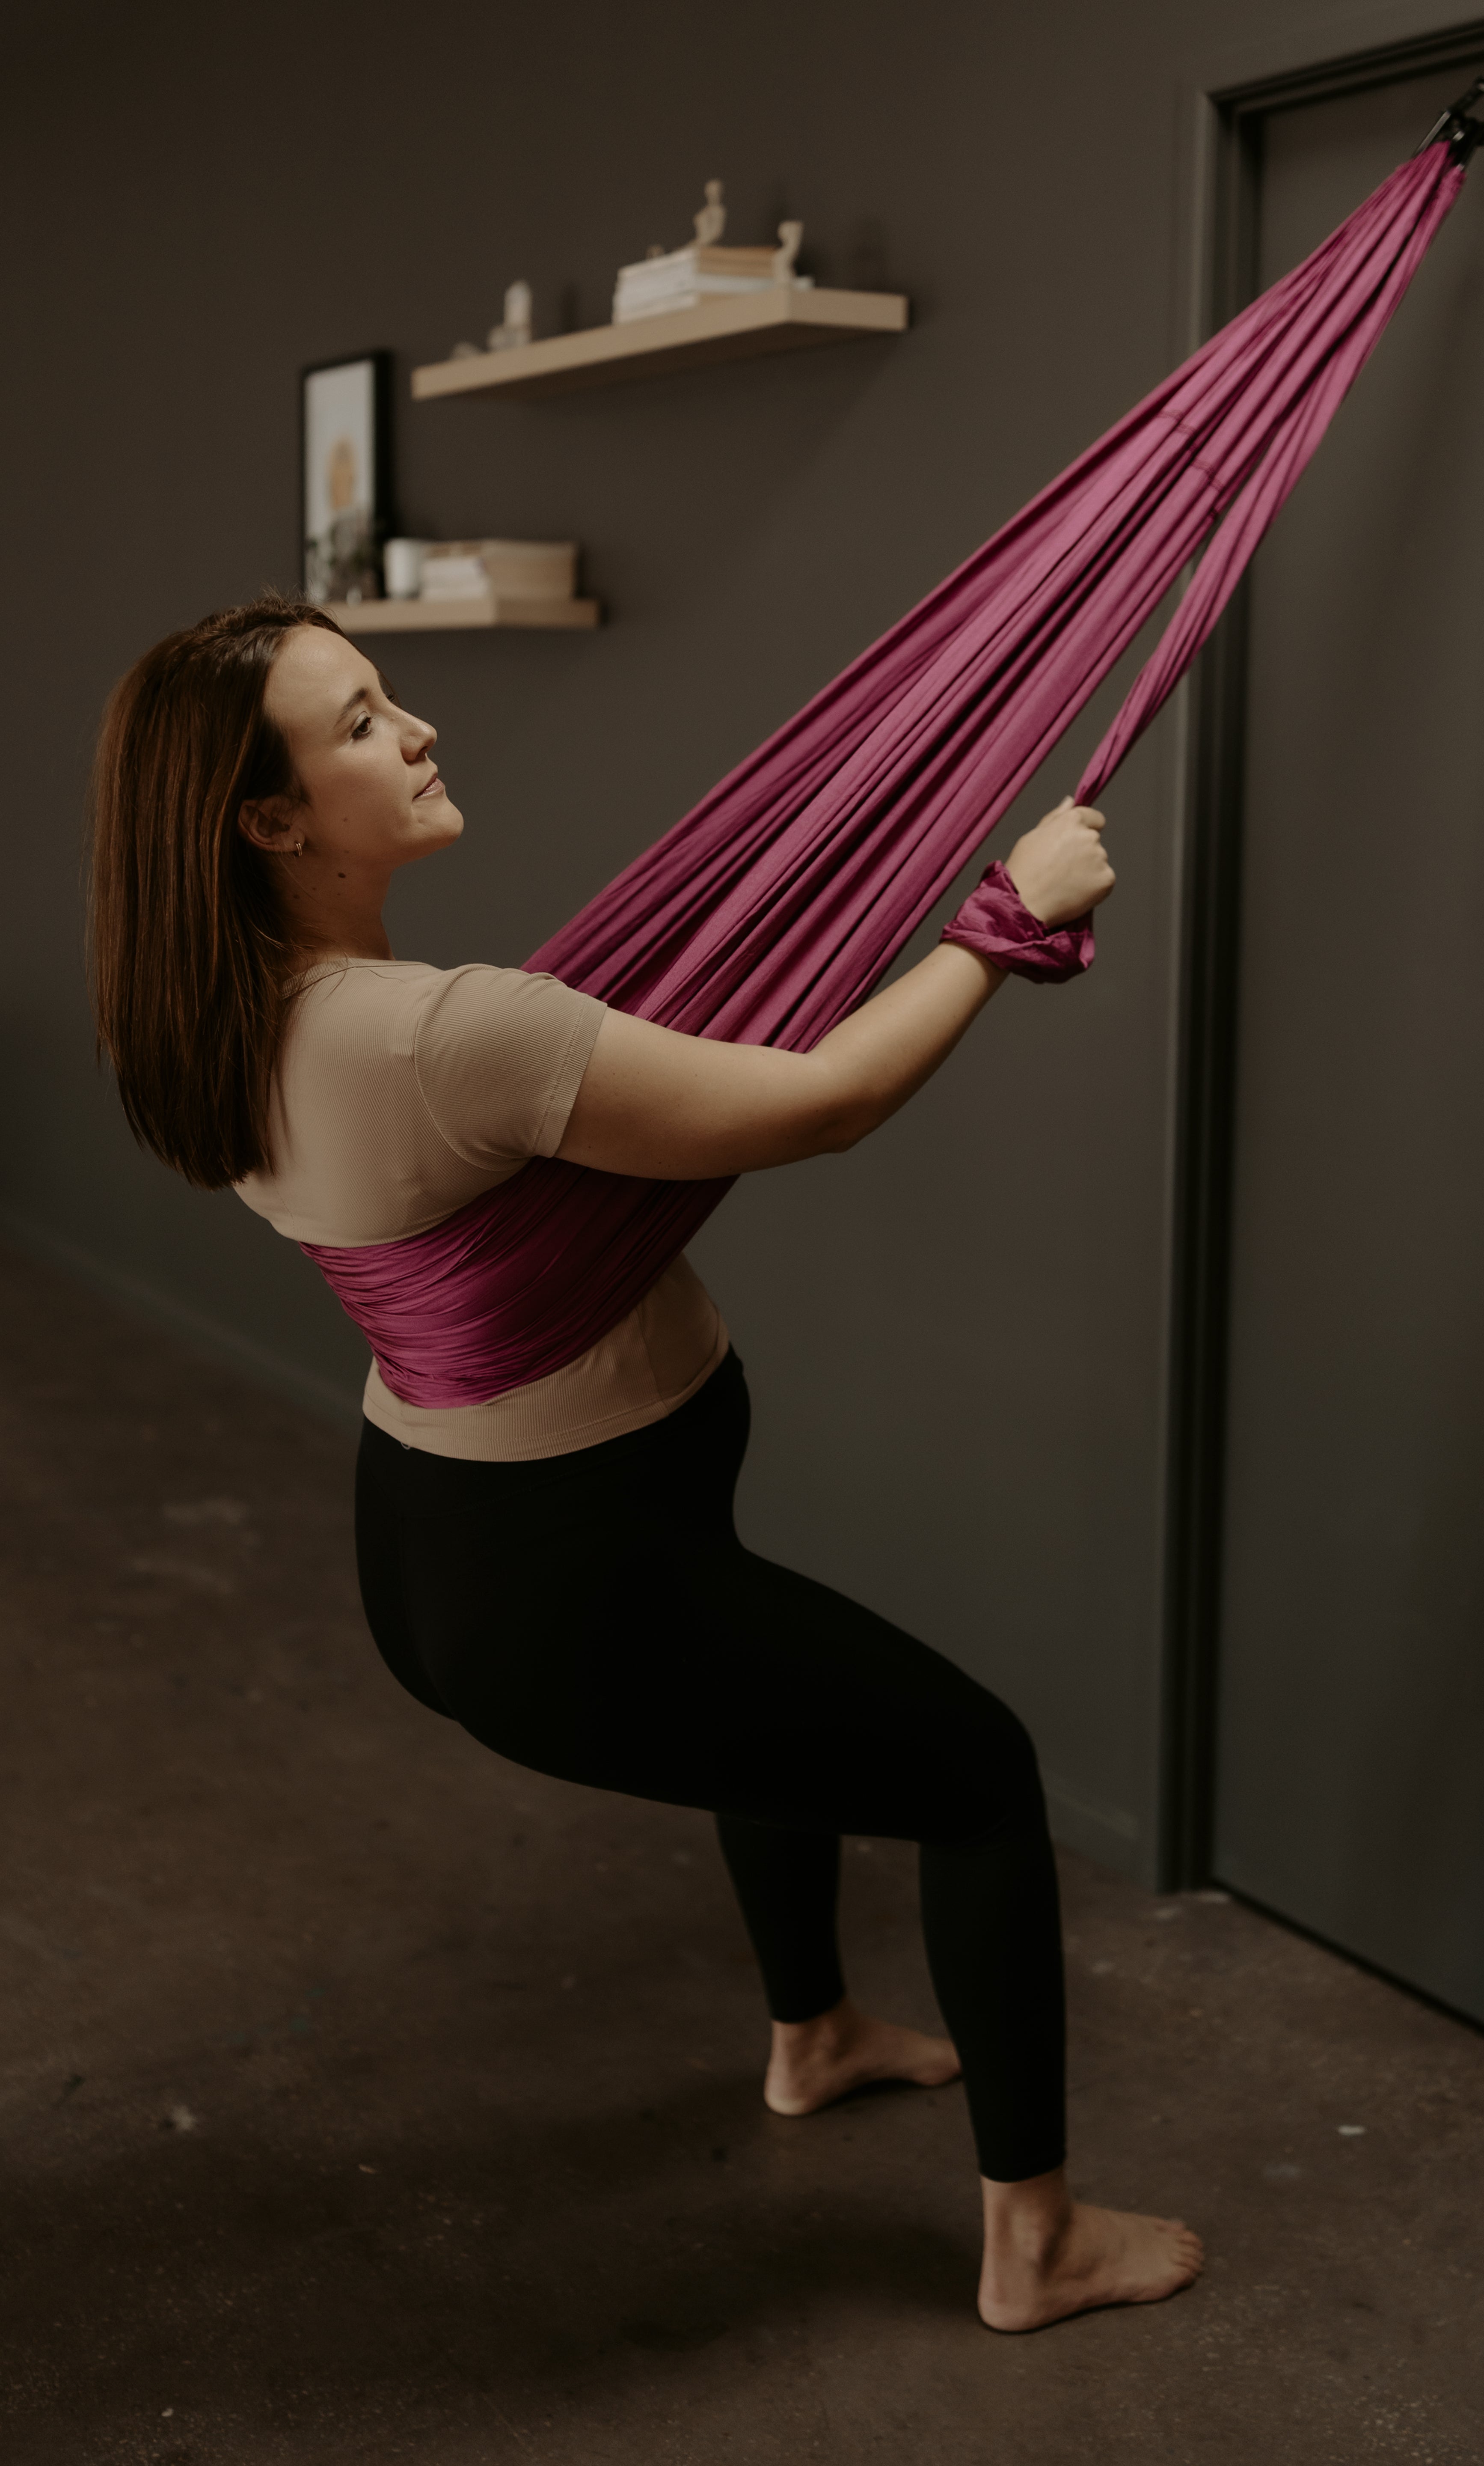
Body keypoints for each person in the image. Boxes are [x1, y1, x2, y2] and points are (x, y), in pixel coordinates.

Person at [88, 595, 1203, 2332]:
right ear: (270, 821)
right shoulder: (450, 1032)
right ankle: (1036, 2238)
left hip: (456, 1532)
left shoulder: (239, 1020)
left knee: (760, 1702)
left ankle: (814, 2035)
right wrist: (1007, 920)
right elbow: (822, 1098)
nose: (421, 729)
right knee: (977, 1769)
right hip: (565, 1571)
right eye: (368, 720)